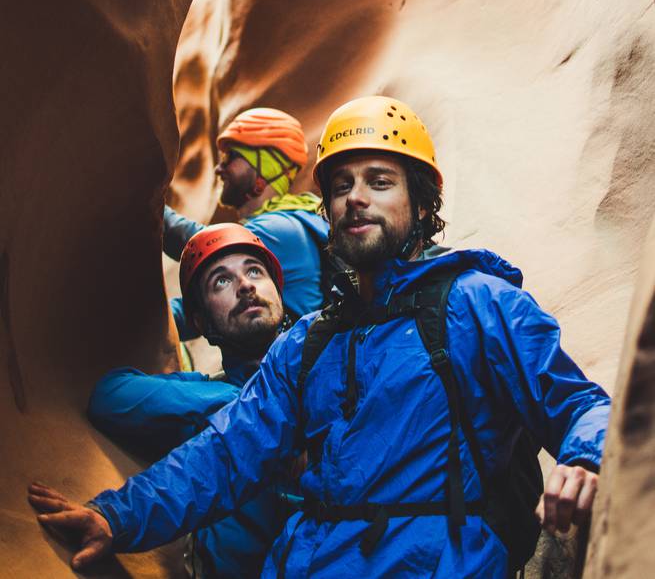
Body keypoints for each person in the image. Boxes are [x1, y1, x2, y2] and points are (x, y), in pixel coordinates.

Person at [28, 96, 610, 578]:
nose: (356, 196)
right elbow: (226, 454)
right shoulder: (307, 342)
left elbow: (579, 403)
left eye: (379, 182)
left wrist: (585, 458)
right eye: (341, 184)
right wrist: (117, 517)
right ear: (328, 207)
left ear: (421, 201)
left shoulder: (479, 302)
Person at [87, 223, 298, 578]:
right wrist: (242, 403)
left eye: (254, 271)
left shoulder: (327, 369)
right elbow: (110, 396)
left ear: (277, 291)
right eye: (221, 281)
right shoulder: (207, 399)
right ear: (201, 321)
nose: (245, 285)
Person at [164, 107, 330, 325]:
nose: (219, 168)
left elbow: (197, 246)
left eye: (231, 157)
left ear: (264, 167)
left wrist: (136, 196)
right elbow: (212, 312)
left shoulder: (278, 228)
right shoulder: (296, 219)